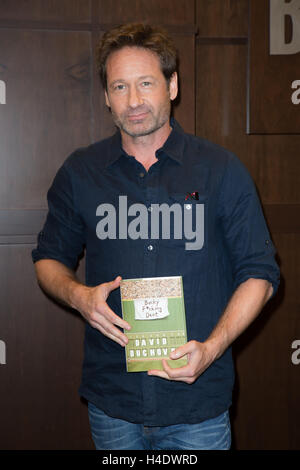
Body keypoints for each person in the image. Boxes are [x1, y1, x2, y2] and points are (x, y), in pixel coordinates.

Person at [32, 23, 280, 451]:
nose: (133, 101)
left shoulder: (221, 170)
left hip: (196, 404)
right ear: (106, 96)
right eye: (120, 87)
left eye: (145, 83)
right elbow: (48, 259)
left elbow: (259, 273)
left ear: (172, 85)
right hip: (113, 404)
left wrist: (214, 348)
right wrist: (79, 296)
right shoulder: (81, 172)